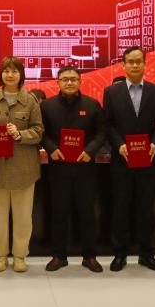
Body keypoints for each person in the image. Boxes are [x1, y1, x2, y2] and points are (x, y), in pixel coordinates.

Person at [101, 46, 155, 272]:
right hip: (122, 160)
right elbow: (107, 124)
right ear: (123, 65)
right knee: (121, 207)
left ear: (145, 64)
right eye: (130, 61)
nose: (135, 65)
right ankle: (119, 253)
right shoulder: (112, 92)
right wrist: (119, 144)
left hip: (148, 159)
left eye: (139, 61)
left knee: (146, 208)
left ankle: (146, 253)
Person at [41, 66, 107, 273]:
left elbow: (101, 132)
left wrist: (90, 151)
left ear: (80, 82)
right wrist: (51, 149)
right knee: (59, 213)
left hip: (85, 167)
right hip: (58, 167)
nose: (69, 82)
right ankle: (59, 256)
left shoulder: (92, 104)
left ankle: (90, 256)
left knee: (87, 213)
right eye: (65, 79)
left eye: (73, 79)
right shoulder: (47, 106)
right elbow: (41, 133)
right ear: (58, 82)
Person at [0, 56, 44, 273]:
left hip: (24, 168)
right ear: (1, 74)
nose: (10, 75)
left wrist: (20, 134)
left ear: (21, 75)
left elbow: (39, 131)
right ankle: (0, 255)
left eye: (14, 71)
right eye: (6, 71)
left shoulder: (31, 100)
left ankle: (20, 255)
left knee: (23, 216)